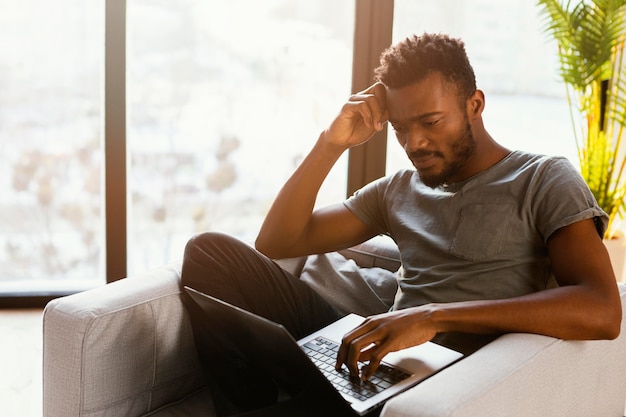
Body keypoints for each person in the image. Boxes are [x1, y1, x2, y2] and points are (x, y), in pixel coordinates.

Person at [180, 33, 622, 416]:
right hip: (375, 362)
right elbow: (277, 241)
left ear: (475, 104)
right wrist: (331, 144)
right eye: (399, 128)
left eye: (430, 122)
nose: (415, 143)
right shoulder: (398, 189)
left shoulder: (543, 179)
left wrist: (432, 316)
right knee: (209, 253)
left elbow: (602, 310)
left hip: (444, 386)